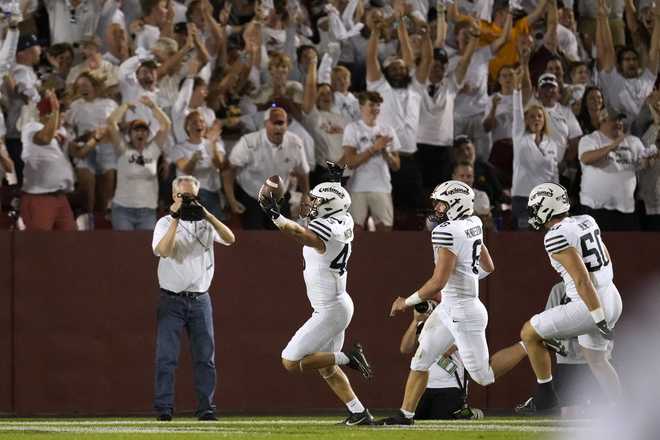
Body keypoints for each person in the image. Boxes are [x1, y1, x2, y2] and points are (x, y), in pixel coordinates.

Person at [258, 166, 375, 426]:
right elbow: (330, 207)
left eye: (317, 202)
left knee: (290, 361)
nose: (310, 204)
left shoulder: (326, 230)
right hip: (338, 303)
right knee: (325, 367)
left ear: (330, 206)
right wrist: (333, 182)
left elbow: (299, 233)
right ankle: (359, 412)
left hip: (330, 309)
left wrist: (275, 215)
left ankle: (349, 357)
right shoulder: (342, 219)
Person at [376, 180, 498, 425]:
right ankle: (405, 415)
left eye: (442, 204)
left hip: (463, 311)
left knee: (483, 376)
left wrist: (406, 302)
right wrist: (464, 278)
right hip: (450, 308)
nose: (438, 209)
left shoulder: (448, 231)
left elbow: (437, 283)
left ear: (456, 203)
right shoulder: (473, 222)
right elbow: (488, 267)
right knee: (421, 358)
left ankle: (526, 347)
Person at [513, 182, 622, 413]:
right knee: (598, 361)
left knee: (528, 333)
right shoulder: (586, 220)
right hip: (611, 294)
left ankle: (546, 397)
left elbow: (582, 280)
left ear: (546, 207)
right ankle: (620, 410)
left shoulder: (555, 236)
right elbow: (605, 258)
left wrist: (599, 318)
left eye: (535, 208)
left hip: (589, 304)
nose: (533, 213)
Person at [152, 174, 236, 421]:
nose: (187, 200)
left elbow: (231, 239)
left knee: (205, 358)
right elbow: (163, 251)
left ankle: (206, 408)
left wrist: (207, 215)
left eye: (191, 196)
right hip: (171, 300)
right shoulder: (164, 223)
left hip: (200, 300)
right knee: (166, 357)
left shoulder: (205, 223)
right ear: (173, 196)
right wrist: (177, 218)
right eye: (182, 196)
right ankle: (165, 408)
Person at [222, 107, 310, 230]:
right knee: (254, 237)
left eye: (281, 123)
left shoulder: (295, 143)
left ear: (287, 124)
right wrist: (231, 199)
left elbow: (302, 173)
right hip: (251, 196)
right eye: (274, 123)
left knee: (281, 237)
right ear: (265, 124)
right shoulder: (248, 142)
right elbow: (228, 172)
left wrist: (305, 196)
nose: (277, 127)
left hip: (278, 198)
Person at [399, 305, 483, 420]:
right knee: (410, 421)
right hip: (422, 387)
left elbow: (445, 350)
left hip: (449, 386)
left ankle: (470, 414)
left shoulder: (458, 323)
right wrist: (415, 322)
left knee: (443, 423)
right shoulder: (425, 326)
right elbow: (405, 348)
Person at [342, 91, 401, 231]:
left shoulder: (387, 130)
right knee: (354, 232)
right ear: (361, 107)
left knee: (385, 232)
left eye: (378, 105)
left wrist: (385, 151)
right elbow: (350, 162)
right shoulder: (352, 129)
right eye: (371, 104)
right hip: (357, 187)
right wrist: (374, 148)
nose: (375, 108)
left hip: (382, 186)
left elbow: (396, 166)